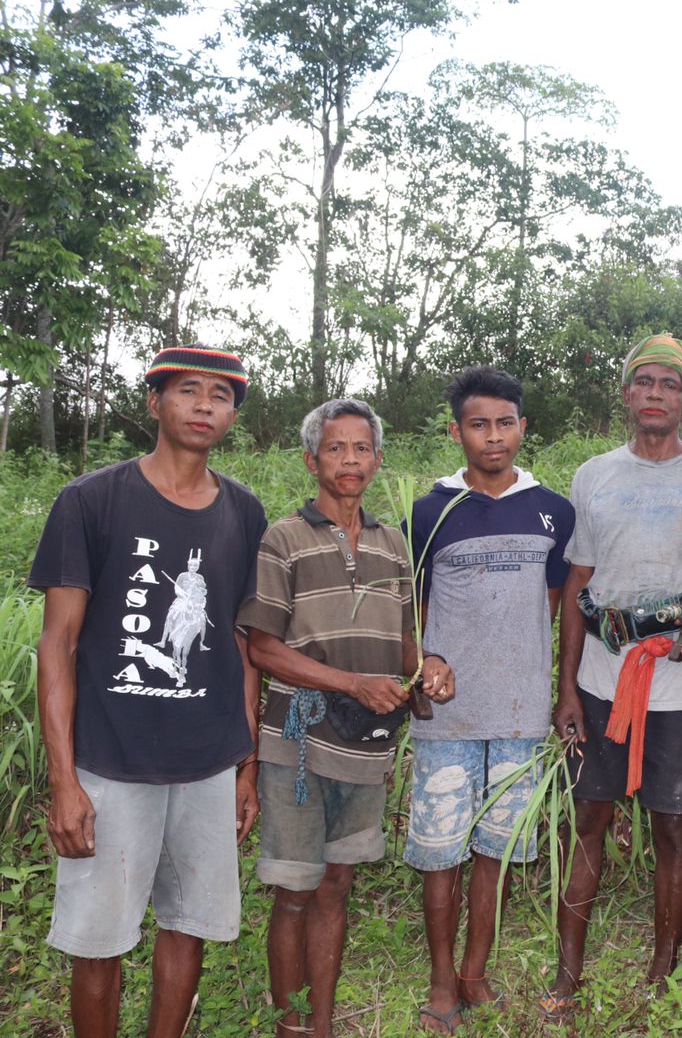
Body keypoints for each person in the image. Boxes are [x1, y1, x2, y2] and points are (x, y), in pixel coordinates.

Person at [30, 346, 266, 1038]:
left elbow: (244, 644)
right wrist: (64, 780)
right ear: (154, 402)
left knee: (188, 925)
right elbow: (58, 645)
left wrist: (245, 765)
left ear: (231, 415)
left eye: (220, 396)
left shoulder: (244, 514)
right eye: (188, 391)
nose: (203, 406)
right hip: (111, 763)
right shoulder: (90, 501)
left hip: (206, 763)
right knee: (98, 939)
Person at [547, 335, 682, 1015]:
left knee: (672, 825)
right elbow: (578, 583)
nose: (656, 393)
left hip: (678, 679)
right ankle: (568, 973)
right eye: (645, 382)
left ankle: (663, 971)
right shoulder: (595, 475)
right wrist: (567, 688)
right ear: (628, 394)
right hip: (606, 677)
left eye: (670, 384)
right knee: (590, 819)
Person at [241, 399, 455, 1038]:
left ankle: (324, 1023)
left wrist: (432, 667)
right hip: (297, 746)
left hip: (366, 750)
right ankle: (290, 1025)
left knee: (336, 886)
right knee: (294, 891)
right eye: (335, 448)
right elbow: (262, 647)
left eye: (362, 448)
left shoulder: (395, 547)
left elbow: (406, 645)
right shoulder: (283, 538)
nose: (350, 460)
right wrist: (352, 683)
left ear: (379, 458)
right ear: (312, 461)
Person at [404, 368, 575, 1033]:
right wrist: (426, 666)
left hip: (520, 714)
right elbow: (410, 617)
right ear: (456, 432)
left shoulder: (552, 511)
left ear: (523, 428)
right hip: (447, 718)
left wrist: (555, 691)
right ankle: (442, 977)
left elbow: (554, 612)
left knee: (495, 850)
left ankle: (475, 970)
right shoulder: (429, 510)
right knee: (441, 850)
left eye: (506, 423)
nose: (493, 436)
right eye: (479, 424)